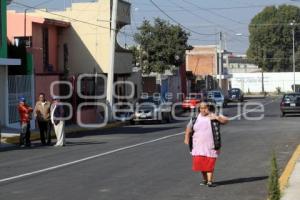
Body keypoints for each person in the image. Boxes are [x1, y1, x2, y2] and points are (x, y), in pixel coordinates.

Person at [184, 102, 228, 187]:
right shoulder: (195, 118)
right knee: (201, 164)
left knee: (209, 163)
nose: (203, 110)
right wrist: (186, 138)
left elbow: (226, 121)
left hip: (211, 145)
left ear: (208, 108)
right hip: (198, 146)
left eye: (205, 108)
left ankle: (210, 181)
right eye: (201, 108)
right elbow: (188, 128)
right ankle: (205, 180)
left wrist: (217, 117)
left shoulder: (214, 116)